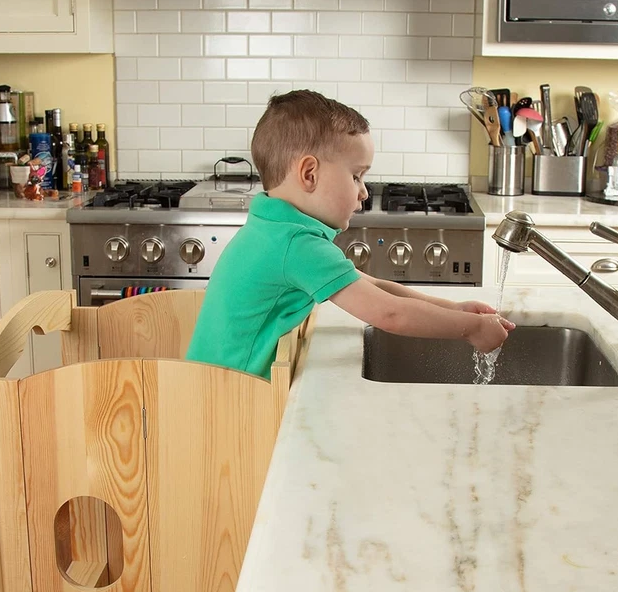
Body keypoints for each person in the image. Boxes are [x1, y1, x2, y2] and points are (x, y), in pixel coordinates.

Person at [186, 90, 513, 379]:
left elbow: (376, 286)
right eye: (356, 176)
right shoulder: (295, 244)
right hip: (230, 405)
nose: (364, 193)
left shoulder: (275, 227)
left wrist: (454, 309)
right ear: (309, 174)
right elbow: (390, 314)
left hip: (212, 393)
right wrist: (469, 330)